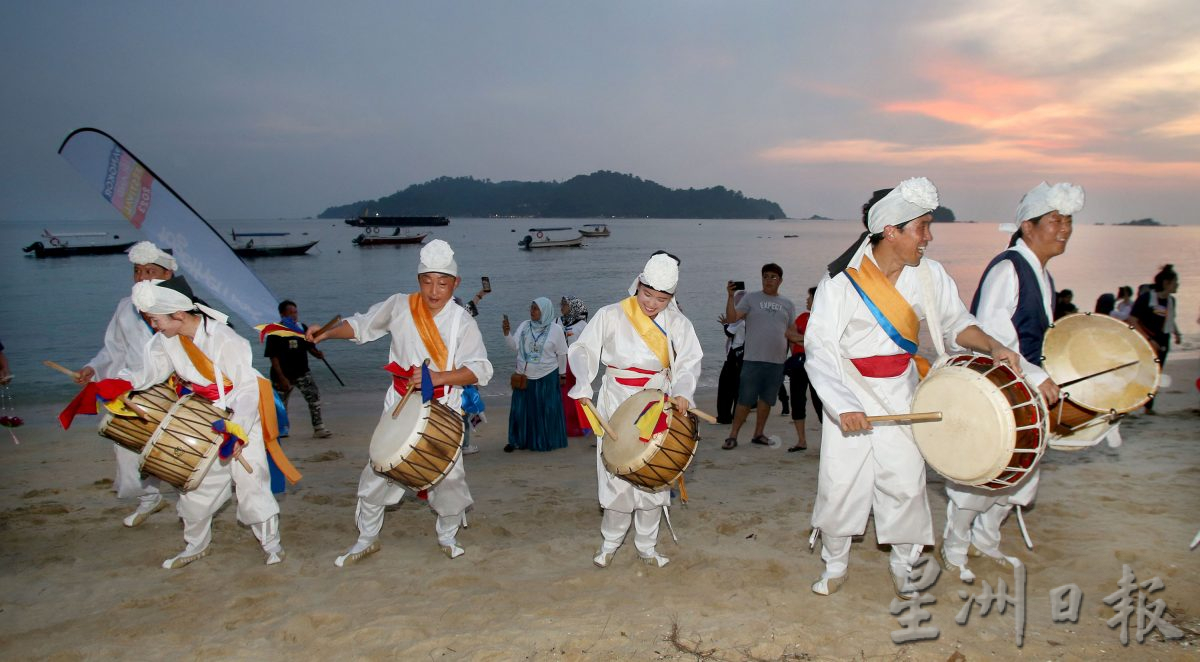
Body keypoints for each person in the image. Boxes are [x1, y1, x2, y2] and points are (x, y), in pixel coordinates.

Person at [805, 178, 1022, 598]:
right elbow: (820, 347)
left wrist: (993, 345)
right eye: (922, 226)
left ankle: (904, 564)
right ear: (891, 230)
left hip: (903, 392)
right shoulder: (841, 280)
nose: (929, 236)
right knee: (841, 482)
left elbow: (957, 324)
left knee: (904, 482)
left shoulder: (931, 275)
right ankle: (835, 564)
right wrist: (842, 404)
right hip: (849, 391)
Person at [307, 240, 492, 566]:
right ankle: (366, 539)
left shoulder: (463, 323)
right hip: (399, 406)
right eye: (427, 281)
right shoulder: (399, 305)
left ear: (455, 283)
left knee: (450, 482)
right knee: (377, 472)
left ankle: (447, 535)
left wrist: (438, 378)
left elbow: (480, 370)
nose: (434, 291)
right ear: (418, 279)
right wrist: (326, 333)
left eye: (443, 283)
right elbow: (362, 325)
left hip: (443, 410)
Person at [942, 181, 1083, 583]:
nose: (1065, 229)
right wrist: (1037, 375)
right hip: (1001, 390)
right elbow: (991, 333)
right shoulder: (1008, 267)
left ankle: (985, 539)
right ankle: (954, 547)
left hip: (1025, 388)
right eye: (1055, 220)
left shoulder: (1040, 273)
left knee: (1020, 477)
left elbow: (1034, 336)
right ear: (1027, 225)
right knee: (984, 472)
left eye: (1069, 221)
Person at [125, 276, 293, 568]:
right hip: (204, 416)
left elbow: (247, 388)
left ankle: (272, 546)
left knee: (252, 484)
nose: (154, 326)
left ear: (178, 314)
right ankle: (195, 546)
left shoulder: (224, 339)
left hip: (240, 416)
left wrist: (236, 431)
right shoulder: (165, 341)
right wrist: (115, 384)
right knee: (195, 486)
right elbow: (148, 374)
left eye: (155, 319)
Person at [568, 253, 703, 568]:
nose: (652, 304)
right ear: (638, 284)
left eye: (661, 298)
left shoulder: (678, 323)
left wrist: (682, 392)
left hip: (656, 402)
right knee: (616, 477)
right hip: (616, 400)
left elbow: (688, 362)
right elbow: (583, 349)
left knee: (654, 480)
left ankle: (647, 546)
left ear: (671, 297)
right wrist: (584, 382)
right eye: (647, 294)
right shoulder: (611, 315)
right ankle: (610, 543)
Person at [73, 241, 175, 528]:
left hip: (172, 390)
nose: (142, 277)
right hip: (131, 391)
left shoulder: (184, 307)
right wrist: (93, 367)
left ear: (167, 275)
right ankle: (149, 498)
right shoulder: (124, 307)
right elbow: (113, 349)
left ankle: (192, 506)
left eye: (149, 271)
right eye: (137, 271)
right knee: (127, 449)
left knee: (172, 452)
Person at [721, 264, 800, 449]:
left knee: (766, 400)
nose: (768, 280)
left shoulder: (787, 304)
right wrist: (730, 296)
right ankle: (733, 435)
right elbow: (732, 319)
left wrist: (797, 357)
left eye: (773, 277)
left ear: (780, 280)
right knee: (745, 400)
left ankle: (759, 434)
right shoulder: (751, 298)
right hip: (752, 360)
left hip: (777, 362)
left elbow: (791, 332)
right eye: (765, 276)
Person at [503, 297, 569, 452]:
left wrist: (562, 374)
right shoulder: (525, 326)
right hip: (524, 376)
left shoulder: (556, 330)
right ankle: (516, 440)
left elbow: (561, 354)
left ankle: (543, 441)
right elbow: (514, 346)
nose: (531, 311)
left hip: (546, 375)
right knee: (520, 410)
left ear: (544, 311)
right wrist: (507, 334)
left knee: (545, 411)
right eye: (531, 308)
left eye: (535, 308)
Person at [265, 300, 332, 439]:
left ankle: (319, 428)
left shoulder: (301, 327)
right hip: (282, 374)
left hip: (302, 372)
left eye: (295, 312)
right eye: (290, 313)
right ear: (282, 314)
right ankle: (281, 430)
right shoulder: (275, 331)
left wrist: (317, 354)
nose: (294, 315)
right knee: (280, 405)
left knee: (314, 398)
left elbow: (310, 347)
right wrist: (281, 377)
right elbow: (273, 357)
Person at [1130, 264, 1180, 413]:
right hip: (1145, 341)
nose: (1177, 285)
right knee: (1140, 373)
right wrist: (1149, 340)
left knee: (1156, 374)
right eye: (1175, 282)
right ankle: (1127, 404)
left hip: (1163, 341)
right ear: (1166, 283)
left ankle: (1148, 407)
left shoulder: (1171, 301)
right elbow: (1132, 320)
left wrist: (1177, 333)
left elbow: (1170, 318)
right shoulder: (1146, 298)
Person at [785, 286, 824, 452]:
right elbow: (789, 335)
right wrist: (809, 341)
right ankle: (801, 441)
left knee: (821, 403)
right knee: (797, 401)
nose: (807, 300)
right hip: (800, 365)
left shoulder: (825, 320)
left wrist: (802, 341)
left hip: (818, 365)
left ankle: (829, 441)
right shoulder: (803, 317)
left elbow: (823, 343)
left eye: (810, 297)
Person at [453, 285, 489, 455]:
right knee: (463, 414)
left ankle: (454, 445)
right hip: (462, 378)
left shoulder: (441, 321)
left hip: (447, 377)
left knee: (455, 414)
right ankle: (464, 445)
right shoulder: (462, 321)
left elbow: (470, 306)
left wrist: (480, 294)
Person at [559, 295, 590, 437]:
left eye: (565, 305)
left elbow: (589, 347)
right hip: (563, 364)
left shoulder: (582, 326)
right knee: (564, 396)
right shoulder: (560, 322)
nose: (562, 307)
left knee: (578, 394)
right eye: (562, 304)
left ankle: (582, 426)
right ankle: (566, 426)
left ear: (573, 307)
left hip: (576, 365)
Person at [715, 290, 746, 424]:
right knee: (738, 387)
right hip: (745, 356)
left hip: (735, 357)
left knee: (726, 386)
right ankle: (738, 415)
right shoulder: (750, 318)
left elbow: (729, 332)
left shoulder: (740, 321)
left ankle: (724, 416)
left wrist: (726, 324)